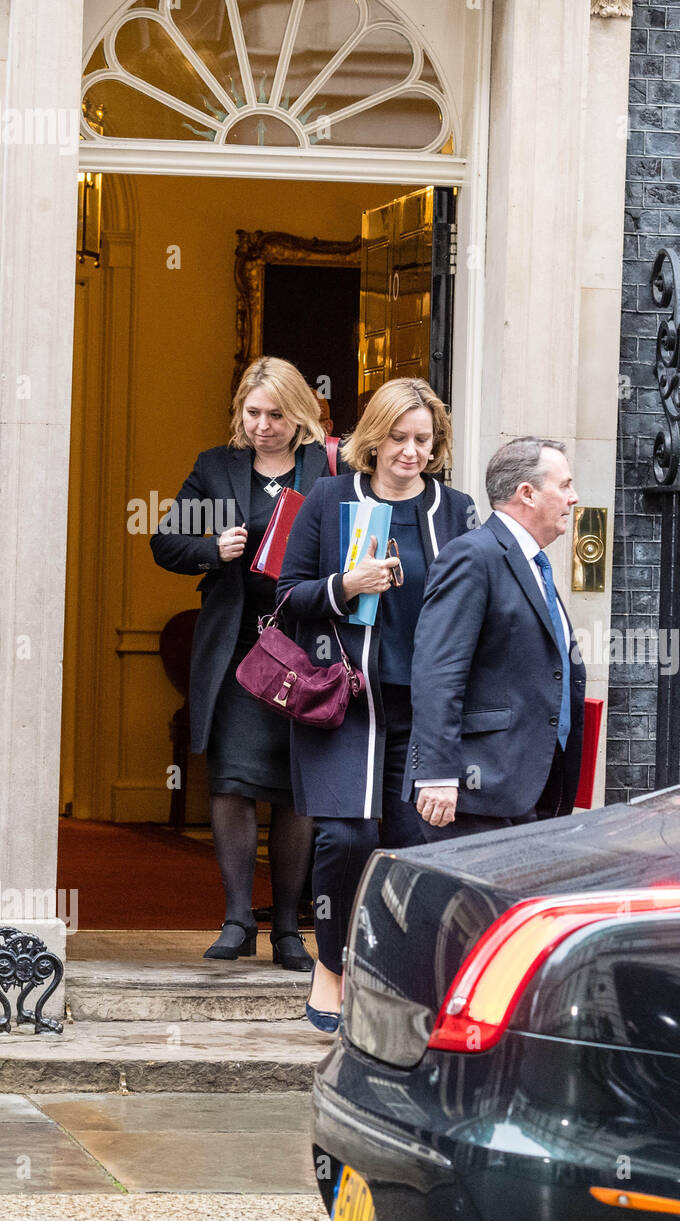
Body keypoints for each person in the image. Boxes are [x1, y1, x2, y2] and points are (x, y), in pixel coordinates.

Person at [276, 378, 476, 1031]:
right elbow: (285, 597)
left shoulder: (456, 511)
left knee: (418, 839)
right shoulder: (331, 498)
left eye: (422, 440)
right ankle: (331, 966)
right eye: (398, 437)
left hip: (422, 707)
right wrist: (345, 585)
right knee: (346, 836)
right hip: (344, 702)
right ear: (375, 435)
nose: (410, 452)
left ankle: (399, 974)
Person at [151, 356, 326, 969]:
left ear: (299, 412)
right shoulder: (216, 468)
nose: (263, 426)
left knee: (296, 790)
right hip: (236, 649)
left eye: (276, 415)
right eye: (253, 414)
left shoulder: (325, 465)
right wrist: (211, 548)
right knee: (231, 783)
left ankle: (285, 929)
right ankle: (234, 920)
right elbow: (165, 542)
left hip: (306, 648)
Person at [406, 436, 586, 840]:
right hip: (477, 792)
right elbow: (438, 670)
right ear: (528, 494)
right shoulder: (473, 556)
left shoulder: (533, 562)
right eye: (564, 485)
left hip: (531, 784)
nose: (573, 498)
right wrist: (436, 774)